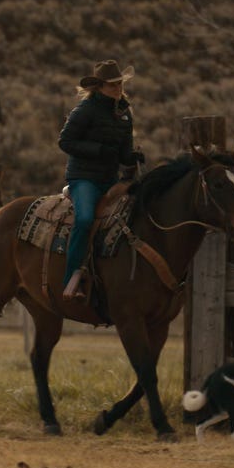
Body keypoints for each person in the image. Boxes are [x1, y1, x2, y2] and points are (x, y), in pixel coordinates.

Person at [56, 60, 137, 301]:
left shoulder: (124, 113)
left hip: (110, 179)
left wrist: (131, 157)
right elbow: (65, 142)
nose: (118, 88)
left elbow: (124, 151)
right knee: (84, 220)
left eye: (120, 84)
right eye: (112, 85)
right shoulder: (85, 110)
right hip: (84, 178)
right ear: (99, 87)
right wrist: (98, 150)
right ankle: (71, 279)